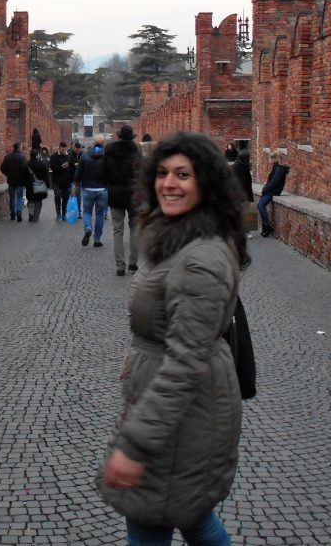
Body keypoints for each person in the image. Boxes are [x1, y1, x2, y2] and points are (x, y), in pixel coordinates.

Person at [98, 131, 249, 545]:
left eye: (183, 174)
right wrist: (140, 353)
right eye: (163, 173)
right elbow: (170, 325)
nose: (169, 183)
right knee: (191, 516)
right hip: (184, 409)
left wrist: (134, 445)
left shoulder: (200, 258)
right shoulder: (179, 237)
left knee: (152, 515)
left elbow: (185, 363)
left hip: (185, 415)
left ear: (206, 182)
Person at [104, 124, 143, 276]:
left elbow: (102, 173)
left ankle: (120, 266)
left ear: (119, 137)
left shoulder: (109, 152)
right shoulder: (137, 153)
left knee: (117, 230)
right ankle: (133, 264)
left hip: (115, 193)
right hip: (134, 194)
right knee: (134, 229)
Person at [74, 134, 108, 248]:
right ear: (103, 144)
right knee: (99, 215)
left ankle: (88, 227)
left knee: (87, 212)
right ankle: (97, 239)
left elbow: (78, 174)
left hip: (87, 188)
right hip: (102, 189)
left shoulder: (84, 155)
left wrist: (76, 186)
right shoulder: (107, 157)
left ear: (93, 143)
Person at [257, 156, 289, 237]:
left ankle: (267, 226)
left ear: (274, 159)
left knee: (261, 205)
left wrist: (264, 190)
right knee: (260, 205)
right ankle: (266, 227)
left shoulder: (279, 169)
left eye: (270, 158)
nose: (269, 160)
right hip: (270, 190)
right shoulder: (276, 168)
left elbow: (274, 182)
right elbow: (271, 181)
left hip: (273, 191)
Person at [0, 142, 30, 223]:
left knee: (12, 198)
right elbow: (26, 169)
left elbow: (2, 168)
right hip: (20, 181)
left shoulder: (7, 157)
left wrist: (7, 174)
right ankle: (19, 212)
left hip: (11, 181)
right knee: (19, 197)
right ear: (19, 147)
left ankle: (12, 214)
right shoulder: (23, 158)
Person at [232, 149, 254, 239]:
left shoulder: (241, 166)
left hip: (240, 193)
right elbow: (247, 182)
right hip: (240, 193)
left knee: (245, 212)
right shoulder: (238, 167)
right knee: (246, 212)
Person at [49, 142, 74, 220]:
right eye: (62, 150)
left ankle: (64, 213)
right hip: (56, 180)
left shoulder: (69, 156)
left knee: (65, 198)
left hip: (66, 181)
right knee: (57, 196)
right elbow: (52, 168)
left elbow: (72, 169)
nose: (64, 151)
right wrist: (61, 167)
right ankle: (58, 213)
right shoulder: (54, 156)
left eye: (65, 150)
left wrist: (71, 181)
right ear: (59, 148)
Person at [26, 148, 51, 222]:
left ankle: (31, 213)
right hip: (40, 186)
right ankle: (36, 217)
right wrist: (48, 185)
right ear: (37, 155)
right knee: (38, 201)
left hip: (30, 185)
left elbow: (24, 175)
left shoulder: (27, 164)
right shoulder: (42, 164)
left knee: (30, 200)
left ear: (30, 155)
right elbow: (45, 175)